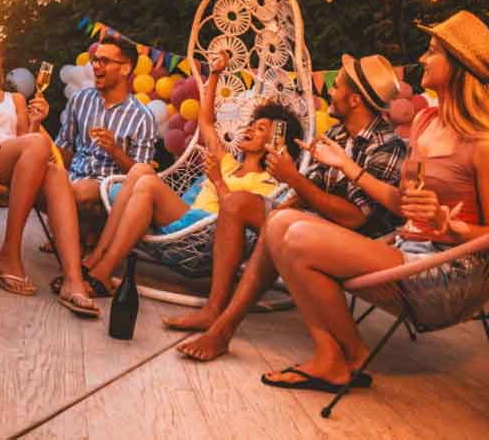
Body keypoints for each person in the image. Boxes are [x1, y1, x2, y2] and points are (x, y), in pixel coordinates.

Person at [258, 10, 489, 392]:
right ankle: (332, 358)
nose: (423, 59)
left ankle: (352, 355)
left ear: (458, 65)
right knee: (278, 224)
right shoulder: (426, 122)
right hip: (405, 249)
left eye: (432, 52)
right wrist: (346, 165)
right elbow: (399, 203)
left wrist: (452, 227)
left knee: (297, 238)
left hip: (445, 272)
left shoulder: (486, 146)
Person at [174, 53, 407, 359]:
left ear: (353, 100)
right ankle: (213, 309)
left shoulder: (387, 146)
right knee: (237, 203)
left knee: (278, 225)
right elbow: (310, 188)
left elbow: (354, 218)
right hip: (314, 218)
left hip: (355, 241)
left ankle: (222, 330)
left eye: (335, 87)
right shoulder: (337, 133)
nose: (330, 93)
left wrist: (293, 181)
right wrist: (283, 204)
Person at [75, 52, 303, 297]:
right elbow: (206, 122)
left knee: (148, 184)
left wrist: (216, 179)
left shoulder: (269, 182)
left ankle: (101, 269)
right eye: (252, 124)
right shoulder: (226, 161)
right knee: (141, 170)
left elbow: (240, 218)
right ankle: (98, 257)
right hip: (186, 221)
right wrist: (215, 75)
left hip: (207, 235)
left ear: (275, 142)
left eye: (260, 130)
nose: (249, 130)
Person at [0, 25, 99, 316]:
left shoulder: (16, 100)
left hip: (16, 167)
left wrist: (36, 121)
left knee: (56, 173)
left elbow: (27, 140)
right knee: (39, 148)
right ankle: (9, 255)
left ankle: (73, 279)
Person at [54, 37, 157, 250]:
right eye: (95, 60)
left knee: (74, 194)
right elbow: (63, 148)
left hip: (106, 184)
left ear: (125, 69)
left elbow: (142, 176)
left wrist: (115, 150)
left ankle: (80, 233)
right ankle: (79, 233)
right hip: (73, 176)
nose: (96, 66)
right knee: (39, 180)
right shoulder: (80, 99)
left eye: (104, 61)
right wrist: (37, 127)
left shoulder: (142, 117)